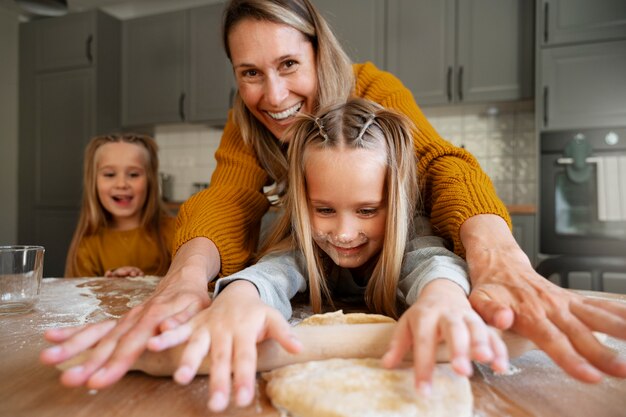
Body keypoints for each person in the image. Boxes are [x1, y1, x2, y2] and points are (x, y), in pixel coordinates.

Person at [40, 0, 626, 389]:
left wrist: (494, 259)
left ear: (321, 50)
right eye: (249, 72)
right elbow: (228, 201)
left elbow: (444, 168)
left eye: (289, 63)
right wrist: (191, 283)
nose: (272, 95)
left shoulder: (375, 92)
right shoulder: (247, 127)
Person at [146, 98, 509, 412]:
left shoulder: (411, 234)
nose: (344, 233)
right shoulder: (309, 244)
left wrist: (443, 297)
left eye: (367, 211)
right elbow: (278, 269)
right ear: (303, 203)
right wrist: (242, 296)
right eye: (324, 210)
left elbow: (431, 262)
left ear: (396, 204)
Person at [64, 133, 175, 278]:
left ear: (150, 181)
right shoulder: (88, 244)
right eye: (110, 174)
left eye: (134, 174)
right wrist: (110, 287)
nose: (121, 184)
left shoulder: (175, 232)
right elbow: (78, 297)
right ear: (94, 182)